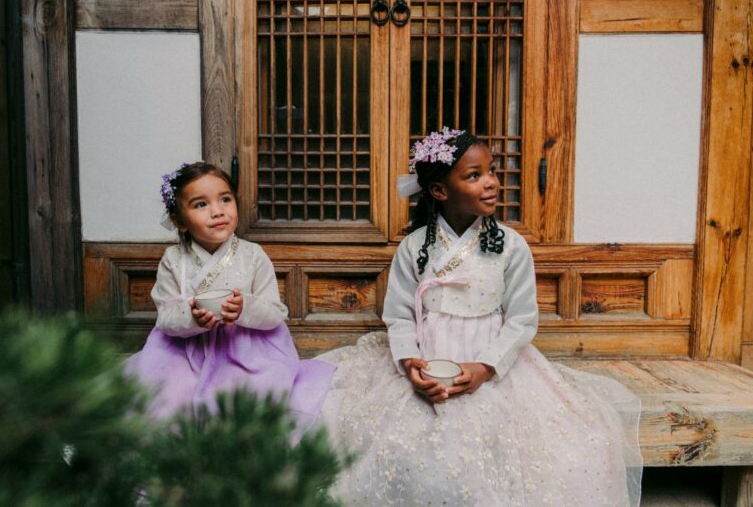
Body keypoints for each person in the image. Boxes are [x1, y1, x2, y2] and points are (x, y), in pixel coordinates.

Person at [317, 128, 643, 506]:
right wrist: (410, 365)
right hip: (430, 354)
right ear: (440, 191)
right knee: (399, 438)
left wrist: (484, 368)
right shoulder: (413, 247)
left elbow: (522, 320)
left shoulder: (511, 246)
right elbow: (400, 316)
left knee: (575, 439)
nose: (490, 182)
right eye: (474, 175)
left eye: (491, 171)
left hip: (490, 356)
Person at [125, 162, 335, 437]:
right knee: (165, 402)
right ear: (179, 221)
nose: (217, 211)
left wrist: (245, 307)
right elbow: (166, 316)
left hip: (246, 349)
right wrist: (192, 318)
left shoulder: (252, 255)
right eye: (201, 205)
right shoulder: (174, 260)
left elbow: (274, 312)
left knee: (249, 403)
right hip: (185, 351)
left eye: (225, 199)